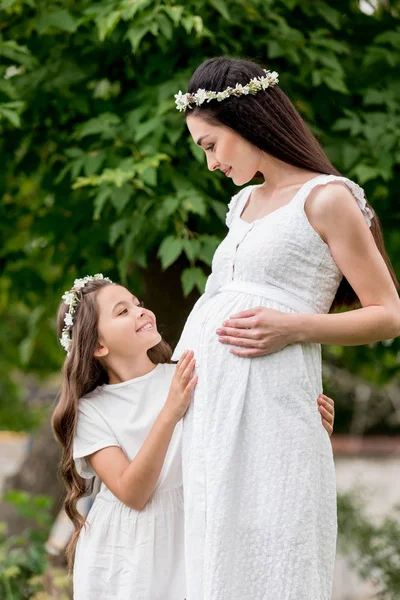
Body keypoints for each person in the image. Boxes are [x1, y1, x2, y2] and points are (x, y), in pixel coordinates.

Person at [172, 56, 400, 600]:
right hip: (214, 418)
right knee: (217, 559)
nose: (209, 164)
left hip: (274, 412)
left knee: (274, 553)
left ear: (247, 121)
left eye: (210, 145)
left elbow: (389, 312)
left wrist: (295, 327)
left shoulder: (326, 197)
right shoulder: (241, 205)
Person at [50, 274, 336, 599]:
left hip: (192, 528)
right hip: (128, 550)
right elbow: (133, 492)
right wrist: (170, 411)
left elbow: (241, 438)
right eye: (122, 311)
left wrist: (308, 430)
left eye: (137, 303)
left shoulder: (187, 373)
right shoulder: (93, 410)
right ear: (99, 345)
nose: (140, 311)